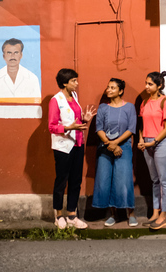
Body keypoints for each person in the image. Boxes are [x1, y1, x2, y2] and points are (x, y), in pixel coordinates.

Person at [49, 68, 96, 230]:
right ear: (64, 83)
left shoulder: (74, 97)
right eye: (73, 81)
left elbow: (76, 121)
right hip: (63, 147)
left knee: (75, 181)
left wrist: (84, 119)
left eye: (76, 80)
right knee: (61, 181)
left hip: (77, 143)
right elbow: (52, 126)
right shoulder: (56, 100)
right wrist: (69, 127)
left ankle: (71, 215)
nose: (77, 83)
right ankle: (58, 215)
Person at [93, 78, 138, 227]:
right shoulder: (103, 108)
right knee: (106, 181)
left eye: (113, 88)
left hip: (123, 147)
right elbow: (98, 128)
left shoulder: (129, 107)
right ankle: (113, 215)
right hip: (105, 148)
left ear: (121, 91)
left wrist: (116, 143)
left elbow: (131, 129)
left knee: (124, 181)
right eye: (108, 87)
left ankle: (131, 214)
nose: (109, 90)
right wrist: (109, 144)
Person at [137, 71, 166, 230]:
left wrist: (153, 141)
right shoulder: (144, 102)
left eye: (150, 84)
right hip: (147, 143)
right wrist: (141, 139)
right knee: (155, 180)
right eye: (146, 83)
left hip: (162, 143)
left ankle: (164, 214)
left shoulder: (165, 102)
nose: (146, 86)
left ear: (159, 85)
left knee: (164, 180)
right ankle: (155, 212)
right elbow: (142, 124)